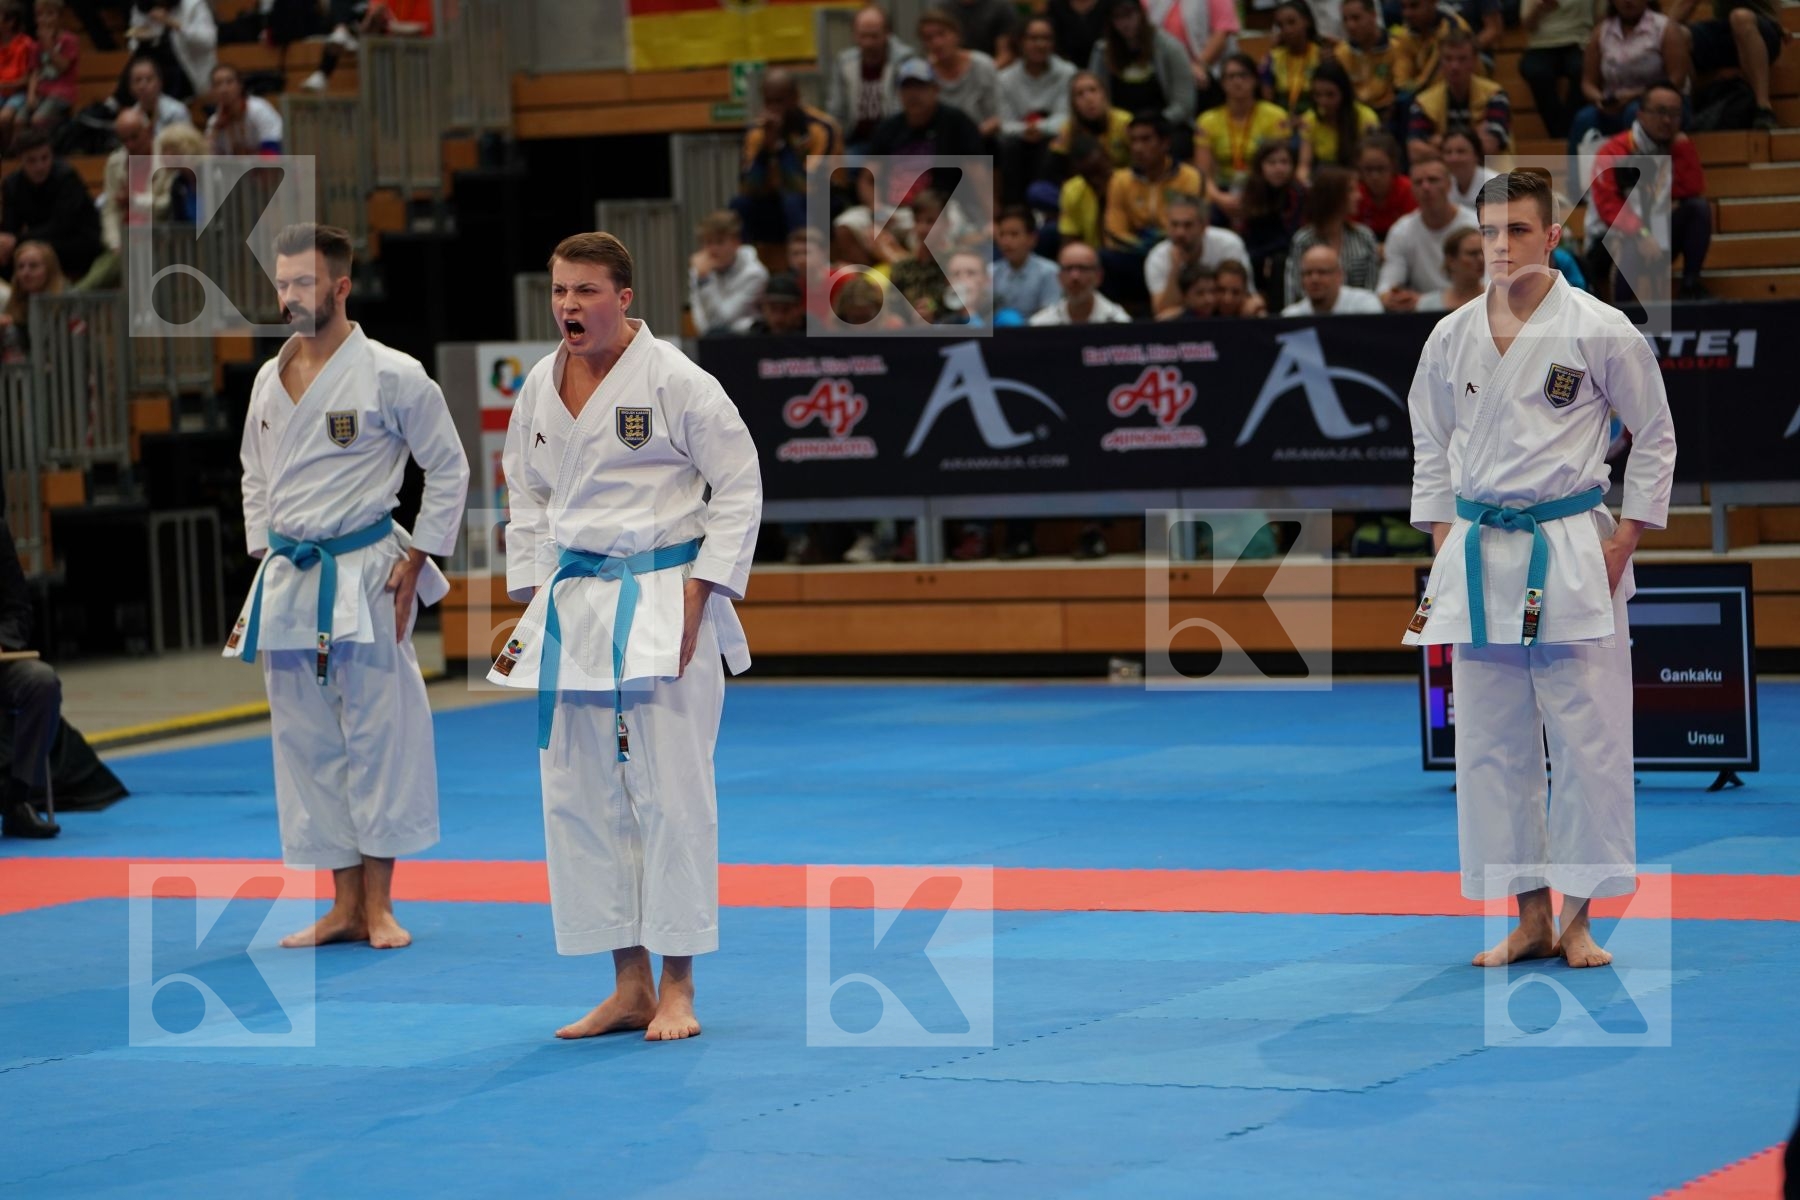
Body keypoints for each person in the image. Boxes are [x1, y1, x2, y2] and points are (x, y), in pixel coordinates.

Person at [1403, 168, 1676, 969]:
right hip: (1481, 551)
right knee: (1491, 743)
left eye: (1519, 230)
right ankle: (1528, 917)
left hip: (1569, 549)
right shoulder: (1450, 335)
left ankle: (1581, 920)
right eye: (1489, 232)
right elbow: (1429, 443)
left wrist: (1626, 537)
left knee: (1588, 739)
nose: (1501, 246)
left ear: (1553, 237)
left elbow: (1654, 435)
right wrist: (1441, 544)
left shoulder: (1599, 329)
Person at [492, 231, 762, 1042]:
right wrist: (538, 594)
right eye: (559, 292)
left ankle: (679, 987)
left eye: (584, 291)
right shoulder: (540, 385)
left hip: (661, 593)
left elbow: (740, 485)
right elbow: (525, 495)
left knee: (671, 795)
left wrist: (701, 590)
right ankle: (628, 984)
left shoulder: (676, 379)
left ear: (624, 298)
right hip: (575, 601)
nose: (568, 307)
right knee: (581, 794)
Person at [228, 222, 470, 951]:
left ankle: (381, 904)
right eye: (282, 283)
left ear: (339, 286)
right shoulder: (269, 378)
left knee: (378, 737)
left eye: (304, 283)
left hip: (366, 573)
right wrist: (264, 557)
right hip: (292, 577)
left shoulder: (391, 373)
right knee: (305, 742)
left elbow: (449, 465)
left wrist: (423, 553)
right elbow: (253, 475)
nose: (290, 296)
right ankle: (340, 905)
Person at [1587, 79, 1711, 302]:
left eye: (1674, 114)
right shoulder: (1614, 150)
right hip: (1607, 242)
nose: (1667, 120)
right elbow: (1609, 208)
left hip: (1655, 237)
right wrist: (1641, 233)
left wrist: (1682, 148)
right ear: (1640, 114)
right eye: (1660, 112)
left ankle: (1691, 289)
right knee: (1631, 241)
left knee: (1698, 209)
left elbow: (1691, 190)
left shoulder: (1672, 148)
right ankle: (1624, 316)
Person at [0, 513, 59, 838]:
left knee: (42, 682)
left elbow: (18, 610)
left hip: (2, 663)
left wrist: (2, 641)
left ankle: (17, 798)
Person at [736, 69, 841, 246]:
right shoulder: (756, 132)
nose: (774, 109)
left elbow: (807, 186)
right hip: (775, 200)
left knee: (793, 201)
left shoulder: (821, 127)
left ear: (795, 97)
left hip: (824, 201)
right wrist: (765, 150)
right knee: (739, 205)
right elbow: (748, 187)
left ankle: (805, 266)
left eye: (780, 101)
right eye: (769, 102)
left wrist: (780, 147)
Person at [1568, 0, 1687, 154]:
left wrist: (1635, 96)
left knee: (1636, 113)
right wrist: (1600, 100)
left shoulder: (1665, 28)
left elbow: (1676, 80)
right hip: (1613, 104)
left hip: (1660, 104)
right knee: (1584, 118)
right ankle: (1578, 177)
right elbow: (1588, 82)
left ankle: (1638, 175)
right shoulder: (1601, 31)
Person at [1194, 52, 1289, 221]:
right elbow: (1203, 176)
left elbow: (1280, 164)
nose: (1237, 81)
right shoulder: (1207, 120)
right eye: (1230, 77)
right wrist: (1220, 198)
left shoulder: (1276, 116)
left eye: (1243, 75)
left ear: (1255, 80)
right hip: (1224, 190)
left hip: (1264, 188)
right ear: (1222, 83)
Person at [1089, 0, 1195, 153]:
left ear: (1141, 15)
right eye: (1117, 18)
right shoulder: (1102, 51)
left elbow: (1184, 105)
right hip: (1118, 128)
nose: (1125, 23)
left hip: (1164, 125)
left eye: (1129, 15)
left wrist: (1149, 126)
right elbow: (1098, 98)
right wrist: (1119, 126)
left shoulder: (1170, 48)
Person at [0, 128, 101, 281]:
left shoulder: (67, 177)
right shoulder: (12, 184)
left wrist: (17, 240)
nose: (40, 166)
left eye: (45, 158)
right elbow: (10, 228)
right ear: (20, 160)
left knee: (35, 254)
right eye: (32, 160)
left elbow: (61, 225)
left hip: (76, 243)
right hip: (38, 240)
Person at [1378, 155, 1478, 311]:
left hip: (1472, 307)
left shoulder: (1476, 224)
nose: (1425, 187)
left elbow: (1491, 283)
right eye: (1418, 182)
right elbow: (1388, 283)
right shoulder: (1401, 230)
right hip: (1422, 316)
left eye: (1433, 180)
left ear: (1449, 185)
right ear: (1411, 189)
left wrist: (1428, 301)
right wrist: (1390, 297)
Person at [997, 16, 1076, 201]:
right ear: (1021, 42)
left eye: (1046, 38)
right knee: (1008, 148)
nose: (1040, 44)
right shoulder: (1004, 79)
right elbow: (1004, 122)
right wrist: (1026, 130)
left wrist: (1039, 128)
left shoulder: (1067, 72)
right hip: (1017, 140)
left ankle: (1045, 207)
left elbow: (1066, 116)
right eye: (1033, 39)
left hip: (1053, 137)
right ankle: (1013, 209)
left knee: (1052, 145)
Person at [1671, 0, 1781, 131]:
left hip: (1761, 29)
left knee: (1740, 17)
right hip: (1726, 28)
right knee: (1678, 35)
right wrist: (1664, 33)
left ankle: (1763, 108)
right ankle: (1690, 109)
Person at [1408, 29, 1511, 161]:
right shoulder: (1423, 102)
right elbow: (1415, 151)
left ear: (1474, 61)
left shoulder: (1496, 95)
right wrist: (1474, 136)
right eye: (1448, 59)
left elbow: (1490, 148)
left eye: (1462, 59)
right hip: (1444, 177)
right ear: (1440, 61)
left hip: (1492, 174)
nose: (1454, 66)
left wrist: (1440, 142)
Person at [1284, 163, 1379, 306]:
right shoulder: (1303, 240)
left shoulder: (1365, 237)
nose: (1359, 196)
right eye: (1351, 190)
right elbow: (1294, 293)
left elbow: (1372, 291)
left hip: (1359, 319)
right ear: (1333, 195)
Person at [827, 5, 916, 153]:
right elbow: (836, 107)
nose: (868, 43)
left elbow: (903, 108)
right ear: (854, 34)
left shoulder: (904, 60)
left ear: (887, 33)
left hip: (895, 141)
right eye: (863, 36)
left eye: (874, 36)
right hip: (856, 141)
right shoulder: (844, 62)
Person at [1144, 192, 1250, 313]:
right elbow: (1161, 312)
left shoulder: (1229, 245)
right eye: (1174, 224)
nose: (1180, 233)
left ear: (1204, 225)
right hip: (1186, 321)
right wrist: (1174, 271)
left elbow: (1245, 296)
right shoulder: (1157, 258)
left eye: (1188, 225)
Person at [1239, 137, 1307, 307]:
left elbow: (1293, 236)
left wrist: (1266, 257)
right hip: (1257, 256)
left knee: (1279, 262)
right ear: (1260, 166)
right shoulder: (1251, 192)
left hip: (1288, 255)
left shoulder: (1298, 193)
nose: (1279, 168)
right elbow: (1247, 235)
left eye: (1284, 162)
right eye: (1272, 162)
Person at [1519, 0, 1598, 139]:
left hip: (1580, 40)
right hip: (1541, 43)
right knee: (1536, 71)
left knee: (1581, 69)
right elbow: (1526, 24)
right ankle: (1562, 134)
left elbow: (1601, 17)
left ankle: (1567, 132)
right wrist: (1538, 8)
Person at [1259, 0, 1352, 116]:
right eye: (1281, 25)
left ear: (1306, 21)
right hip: (1281, 122)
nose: (1286, 30)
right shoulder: (1272, 58)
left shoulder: (1322, 56)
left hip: (1315, 120)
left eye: (1291, 22)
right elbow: (1267, 102)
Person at [919, 5, 1000, 138]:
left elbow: (997, 118)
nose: (937, 43)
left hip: (981, 141)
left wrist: (969, 138)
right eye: (929, 38)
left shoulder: (983, 65)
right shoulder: (924, 72)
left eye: (942, 34)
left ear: (957, 34)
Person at [1296, 58, 1380, 181]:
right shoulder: (1310, 119)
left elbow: (1370, 163)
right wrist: (1304, 181)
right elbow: (1304, 165)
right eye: (1317, 95)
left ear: (1343, 93)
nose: (1323, 101)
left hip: (1357, 176)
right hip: (1324, 179)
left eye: (1330, 95)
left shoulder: (1366, 117)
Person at [687, 210, 769, 336]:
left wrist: (704, 280)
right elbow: (701, 320)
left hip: (747, 340)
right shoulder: (699, 271)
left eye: (719, 242)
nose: (712, 250)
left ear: (736, 243)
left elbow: (719, 321)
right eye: (708, 242)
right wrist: (702, 277)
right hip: (708, 338)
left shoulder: (755, 274)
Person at [1031, 239, 1131, 322]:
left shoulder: (1118, 322)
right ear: (1059, 277)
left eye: (1083, 268)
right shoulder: (1042, 323)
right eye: (1068, 268)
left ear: (1098, 277)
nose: (1075, 276)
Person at [991, 203, 1062, 320]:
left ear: (1032, 239)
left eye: (1014, 234)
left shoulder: (1050, 272)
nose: (1006, 241)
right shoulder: (991, 272)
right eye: (1002, 235)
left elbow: (1051, 316)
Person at [1281, 242, 1383, 314]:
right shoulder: (1291, 316)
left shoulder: (1365, 306)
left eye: (1322, 272)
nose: (1314, 279)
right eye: (1308, 273)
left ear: (1339, 275)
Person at [0, 239, 60, 363]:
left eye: (33, 266)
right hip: (24, 376)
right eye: (20, 267)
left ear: (49, 270)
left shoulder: (65, 304)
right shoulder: (13, 304)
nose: (25, 273)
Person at [206, 62, 282, 155]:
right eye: (218, 84)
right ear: (212, 91)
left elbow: (273, 153)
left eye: (229, 82)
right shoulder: (214, 122)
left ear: (240, 85)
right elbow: (207, 162)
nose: (224, 89)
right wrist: (215, 132)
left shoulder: (259, 109)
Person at [1339, 0, 1398, 118]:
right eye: (1345, 20)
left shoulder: (1396, 48)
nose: (1350, 25)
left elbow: (1401, 88)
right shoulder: (1341, 53)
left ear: (1373, 16)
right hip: (1355, 116)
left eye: (1356, 18)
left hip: (1390, 115)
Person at [1352, 130, 1415, 240]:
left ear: (1393, 166)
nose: (1375, 176)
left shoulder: (1408, 189)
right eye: (1368, 169)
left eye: (1381, 169)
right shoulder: (1354, 193)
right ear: (1359, 169)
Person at [27, 0, 77, 135]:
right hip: (41, 92)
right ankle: (15, 154)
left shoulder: (68, 40)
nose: (44, 19)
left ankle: (46, 151)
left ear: (60, 17)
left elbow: (63, 67)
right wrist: (31, 94)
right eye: (40, 15)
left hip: (61, 93)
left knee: (38, 120)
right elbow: (35, 71)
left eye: (50, 14)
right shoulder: (35, 45)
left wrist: (49, 46)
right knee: (19, 120)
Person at [1416, 224, 1486, 310]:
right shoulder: (1428, 305)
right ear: (1451, 261)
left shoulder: (1498, 299)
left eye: (1483, 252)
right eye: (1472, 253)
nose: (1481, 259)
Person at [124, 51, 192, 133]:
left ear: (159, 82)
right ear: (131, 87)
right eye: (138, 80)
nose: (143, 86)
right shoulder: (130, 118)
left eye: (149, 79)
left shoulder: (177, 111)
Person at [0, 3, 36, 155]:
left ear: (10, 22)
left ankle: (9, 153)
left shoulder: (25, 44)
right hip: (1, 91)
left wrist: (5, 85)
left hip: (18, 93)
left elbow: (27, 78)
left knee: (5, 118)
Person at [1440, 124, 1497, 210]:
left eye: (1461, 151)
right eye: (1448, 152)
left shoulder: (1495, 185)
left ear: (1476, 155)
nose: (1454, 158)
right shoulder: (1442, 185)